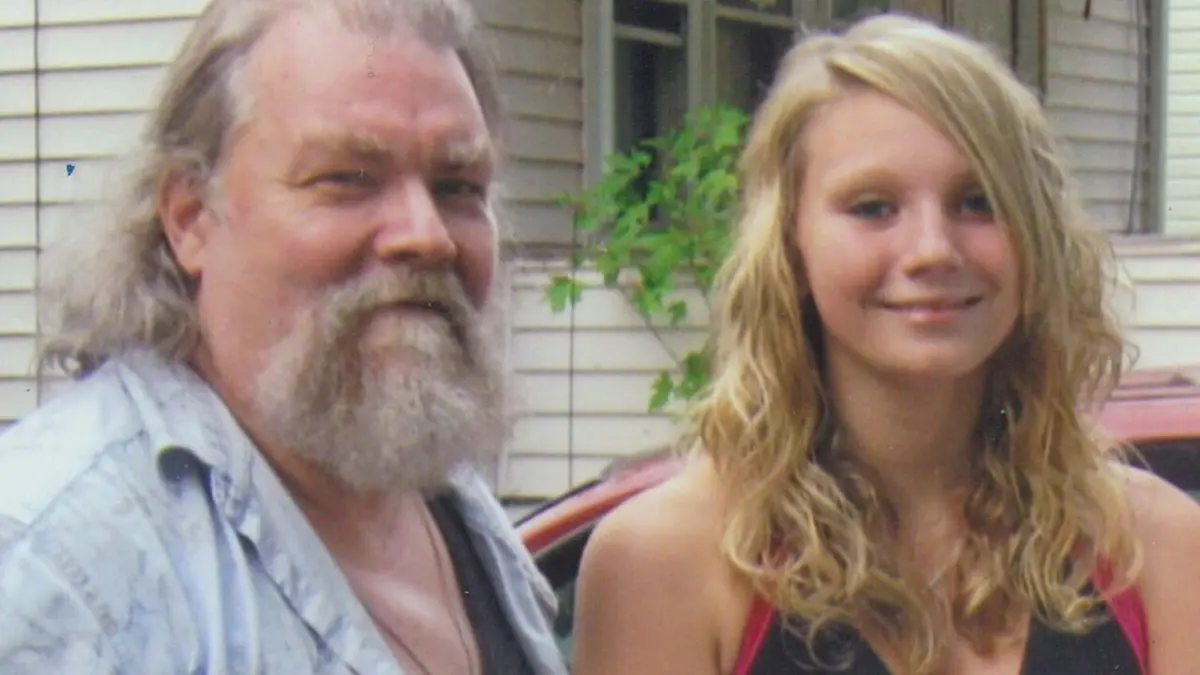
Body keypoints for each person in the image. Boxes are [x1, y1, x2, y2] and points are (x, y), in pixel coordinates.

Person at [573, 13, 1200, 675]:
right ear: (790, 242)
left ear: (1035, 238)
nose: (933, 249)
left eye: (978, 200)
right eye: (873, 207)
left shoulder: (1155, 549)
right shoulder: (666, 562)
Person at [0, 1, 567, 673]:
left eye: (458, 186)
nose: (426, 235)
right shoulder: (53, 565)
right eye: (347, 179)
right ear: (190, 218)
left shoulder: (446, 497)